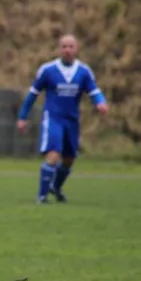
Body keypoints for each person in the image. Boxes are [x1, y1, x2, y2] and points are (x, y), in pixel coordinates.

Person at [17, 34, 109, 203]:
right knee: (53, 155)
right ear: (59, 49)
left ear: (76, 49)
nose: (67, 50)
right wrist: (23, 117)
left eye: (71, 46)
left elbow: (94, 91)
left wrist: (101, 102)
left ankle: (56, 187)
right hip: (53, 118)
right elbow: (32, 95)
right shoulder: (48, 70)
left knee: (69, 159)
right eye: (64, 46)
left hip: (71, 121)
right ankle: (42, 196)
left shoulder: (83, 71)